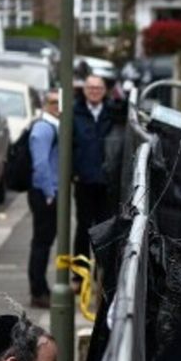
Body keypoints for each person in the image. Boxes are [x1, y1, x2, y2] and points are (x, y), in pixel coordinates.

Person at [72, 73, 115, 257]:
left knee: (104, 230)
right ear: (84, 90)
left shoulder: (113, 112)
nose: (94, 92)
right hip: (84, 181)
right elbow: (69, 145)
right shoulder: (74, 112)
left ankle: (102, 277)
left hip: (107, 182)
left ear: (104, 91)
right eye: (91, 88)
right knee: (83, 228)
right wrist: (74, 172)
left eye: (98, 88)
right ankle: (79, 276)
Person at [27, 90, 61, 309]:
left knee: (44, 242)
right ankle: (38, 291)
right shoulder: (43, 129)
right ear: (44, 104)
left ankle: (40, 289)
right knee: (41, 243)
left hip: (48, 191)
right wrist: (49, 193)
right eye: (53, 102)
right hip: (44, 193)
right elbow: (40, 165)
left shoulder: (52, 126)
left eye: (60, 102)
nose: (57, 106)